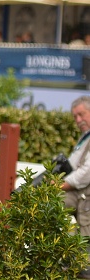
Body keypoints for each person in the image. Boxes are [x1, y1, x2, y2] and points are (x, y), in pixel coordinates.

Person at [62, 96, 90, 278]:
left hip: (86, 190)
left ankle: (84, 267)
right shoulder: (85, 136)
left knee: (86, 221)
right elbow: (74, 164)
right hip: (81, 189)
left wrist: (61, 184)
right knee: (53, 207)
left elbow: (86, 172)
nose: (78, 120)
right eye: (75, 117)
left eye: (81, 114)